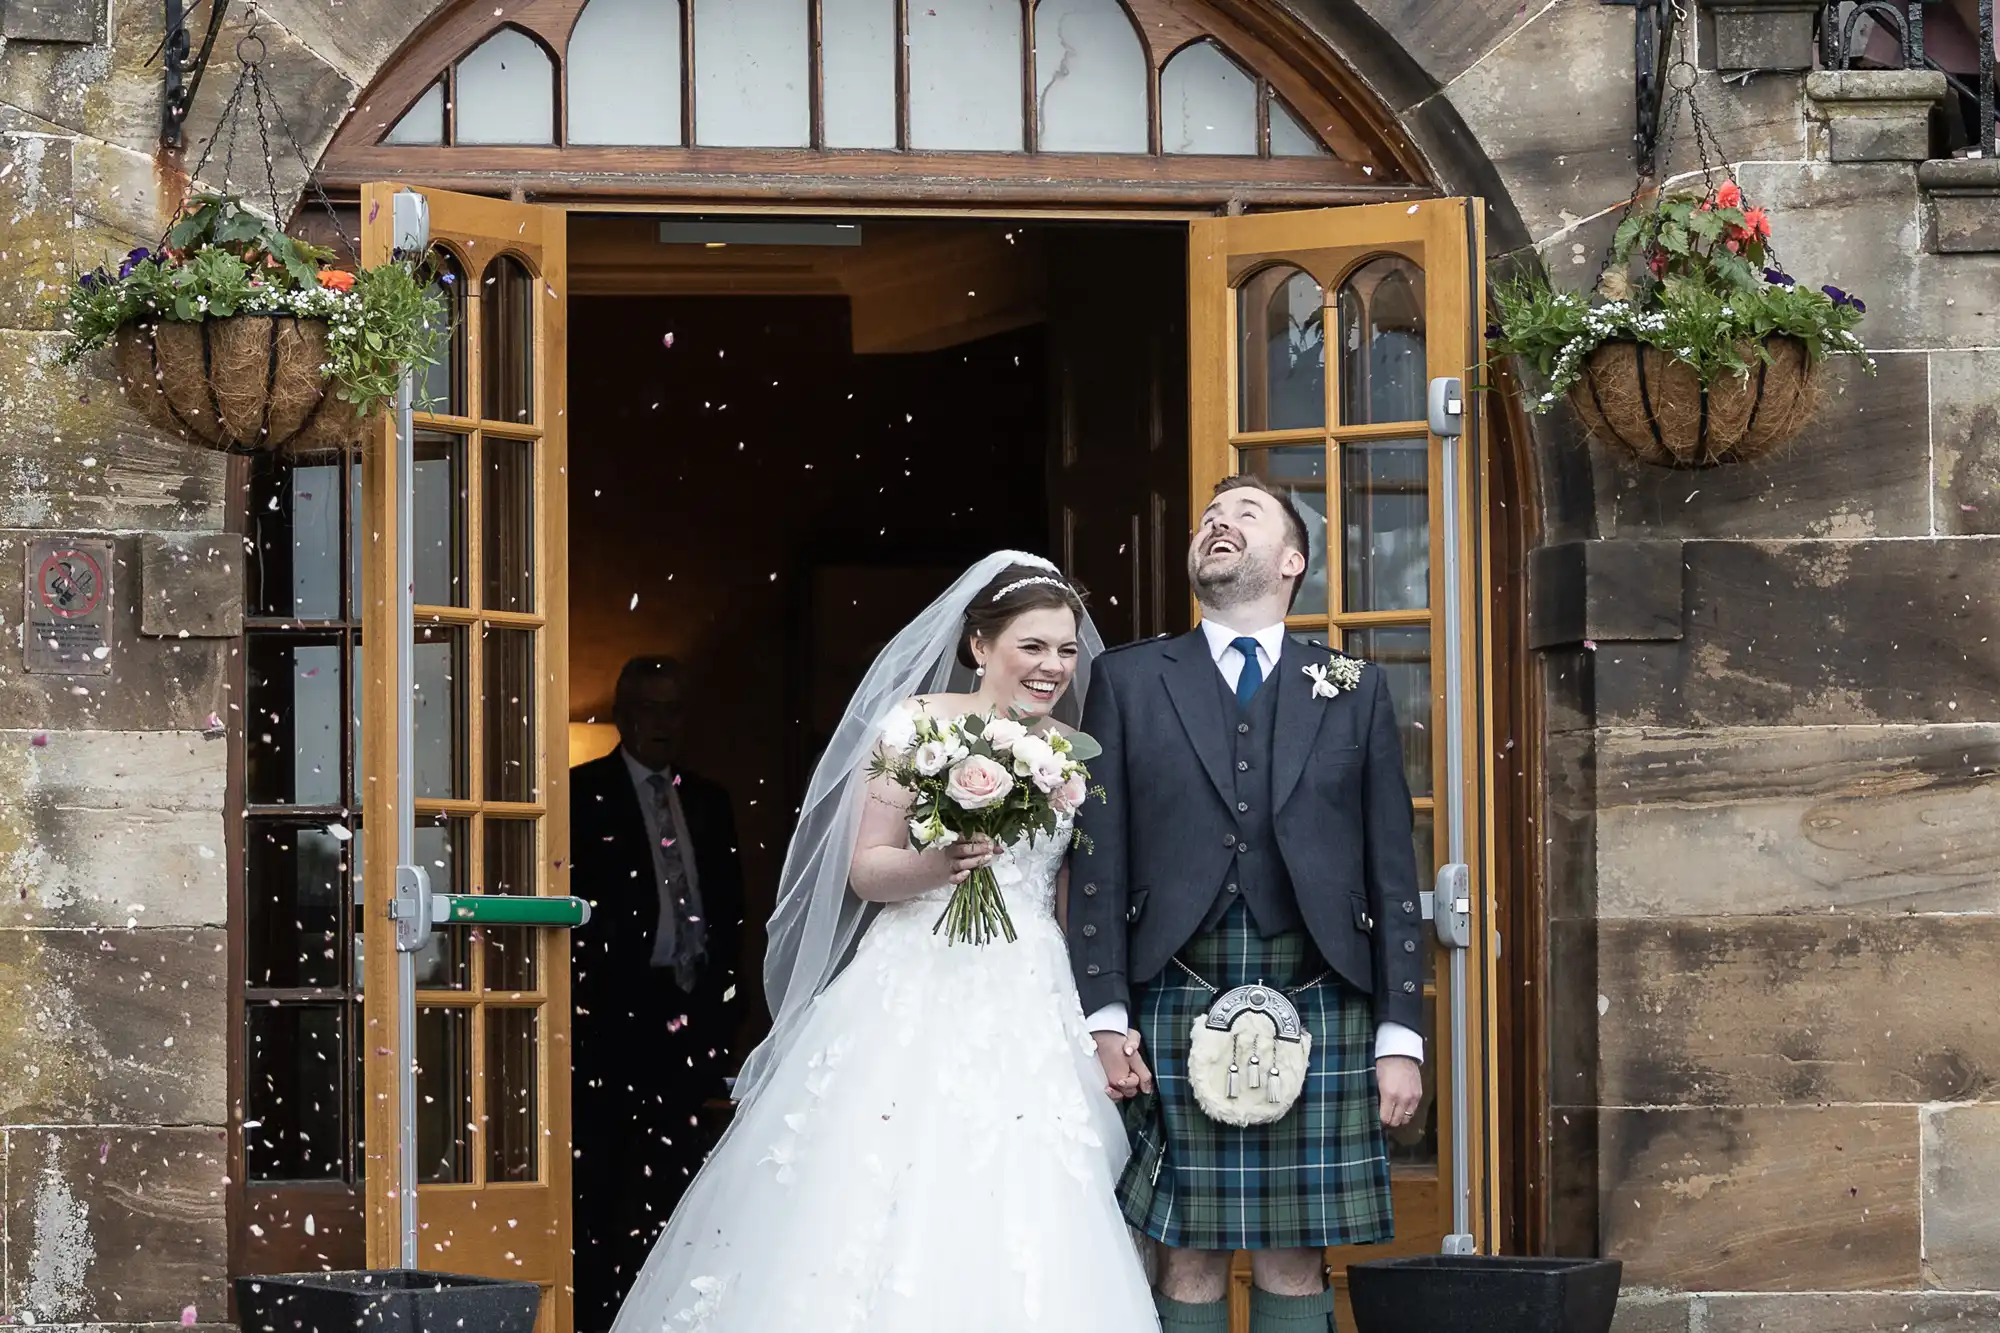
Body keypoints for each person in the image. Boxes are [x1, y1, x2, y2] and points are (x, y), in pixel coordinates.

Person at [608, 552, 1160, 1333]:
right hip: (915, 976)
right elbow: (868, 868)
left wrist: (1102, 1013)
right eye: (1032, 646)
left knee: (1032, 1188)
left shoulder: (1072, 751)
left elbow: (1073, 899)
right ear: (979, 646)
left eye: (1066, 649)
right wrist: (940, 863)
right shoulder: (917, 726)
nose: (1053, 666)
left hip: (1031, 991)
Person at [1070, 475, 1427, 1333]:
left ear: (1292, 560)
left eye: (1244, 515)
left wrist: (1400, 1034)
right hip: (1173, 984)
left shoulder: (1352, 685)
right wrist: (1106, 1012)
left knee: (1296, 1253)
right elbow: (1097, 862)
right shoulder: (1126, 679)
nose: (1217, 523)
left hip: (1319, 989)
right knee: (1185, 1250)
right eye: (1208, 517)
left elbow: (1391, 868)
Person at [570, 656, 747, 1333]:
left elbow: (731, 910)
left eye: (673, 709)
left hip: (694, 1010)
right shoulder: (582, 792)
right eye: (648, 708)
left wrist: (724, 1008)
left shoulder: (708, 798)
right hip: (614, 1018)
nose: (662, 723)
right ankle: (598, 1314)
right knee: (606, 1181)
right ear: (622, 713)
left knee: (683, 1181)